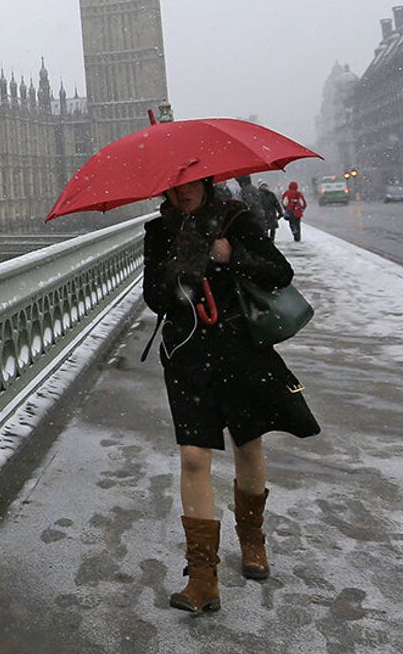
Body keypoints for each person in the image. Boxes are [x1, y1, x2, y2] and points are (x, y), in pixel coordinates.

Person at [143, 177, 320, 615]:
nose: (179, 194)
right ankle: (202, 576)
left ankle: (252, 538)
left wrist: (229, 256)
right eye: (171, 188)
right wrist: (178, 271)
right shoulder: (159, 232)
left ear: (204, 182)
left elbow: (280, 272)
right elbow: (155, 298)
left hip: (239, 348)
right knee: (193, 457)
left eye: (186, 186)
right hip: (187, 355)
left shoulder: (235, 219)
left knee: (248, 442)